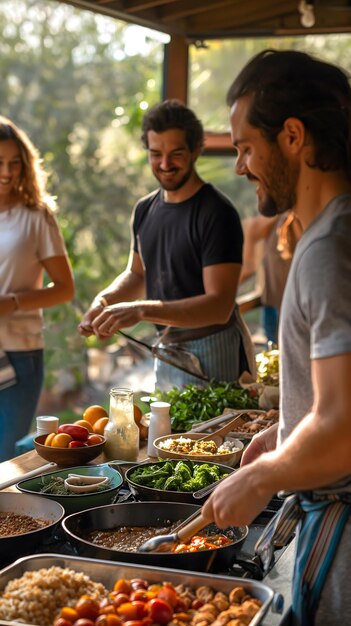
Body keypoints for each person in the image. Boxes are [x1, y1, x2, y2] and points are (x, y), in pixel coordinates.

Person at [202, 50, 351, 626]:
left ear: (292, 135)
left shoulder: (331, 249)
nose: (239, 165)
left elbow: (341, 431)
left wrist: (263, 476)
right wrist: (286, 436)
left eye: (244, 146)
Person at [79, 100, 255, 390]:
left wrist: (139, 311)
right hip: (169, 350)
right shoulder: (145, 209)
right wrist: (105, 302)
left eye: (176, 154)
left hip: (216, 351)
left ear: (197, 149)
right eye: (155, 154)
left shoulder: (216, 213)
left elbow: (219, 306)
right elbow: (138, 274)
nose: (164, 164)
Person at [0, 116, 74, 462]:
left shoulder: (37, 216)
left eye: (15, 163)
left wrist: (12, 302)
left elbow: (64, 289)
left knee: (5, 457)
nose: (7, 172)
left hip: (20, 351)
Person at [240, 211, 302, 343]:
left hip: (282, 306)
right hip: (283, 304)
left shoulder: (270, 223)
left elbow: (248, 268)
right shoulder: (280, 221)